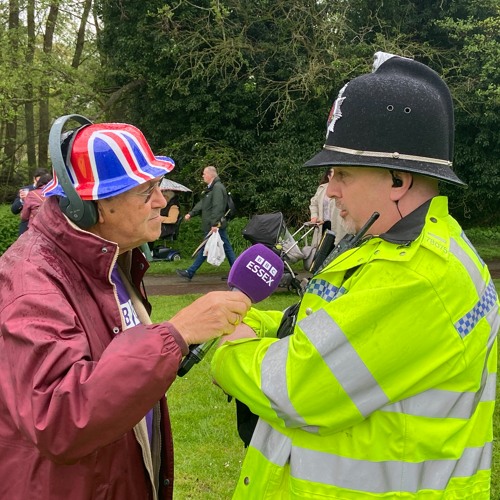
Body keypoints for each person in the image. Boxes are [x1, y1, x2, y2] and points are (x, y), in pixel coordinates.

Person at [210, 52, 499, 499]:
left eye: (342, 173)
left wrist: (229, 351)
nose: (330, 189)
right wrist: (246, 319)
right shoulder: (392, 247)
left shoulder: (417, 277)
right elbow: (328, 324)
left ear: (398, 180)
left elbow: (296, 390)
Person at [0, 119, 251, 500]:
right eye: (146, 190)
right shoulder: (30, 281)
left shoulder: (110, 257)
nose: (161, 201)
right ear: (92, 205)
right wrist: (175, 335)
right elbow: (57, 417)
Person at [176, 165, 236, 280]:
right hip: (214, 224)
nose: (203, 176)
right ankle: (236, 273)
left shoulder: (217, 188)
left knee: (207, 248)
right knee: (224, 248)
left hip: (215, 225)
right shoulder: (211, 189)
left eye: (204, 173)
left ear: (210, 175)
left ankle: (190, 272)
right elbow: (203, 203)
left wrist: (214, 224)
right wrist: (191, 213)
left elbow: (218, 207)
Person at [309, 167, 347, 249]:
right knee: (320, 251)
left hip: (338, 226)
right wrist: (314, 217)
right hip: (322, 225)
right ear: (329, 176)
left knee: (336, 250)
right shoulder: (322, 188)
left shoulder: (345, 189)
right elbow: (314, 203)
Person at [10, 167, 49, 235]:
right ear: (34, 179)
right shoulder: (25, 190)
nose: (40, 183)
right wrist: (22, 200)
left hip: (46, 229)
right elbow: (14, 210)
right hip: (27, 229)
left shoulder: (51, 190)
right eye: (38, 181)